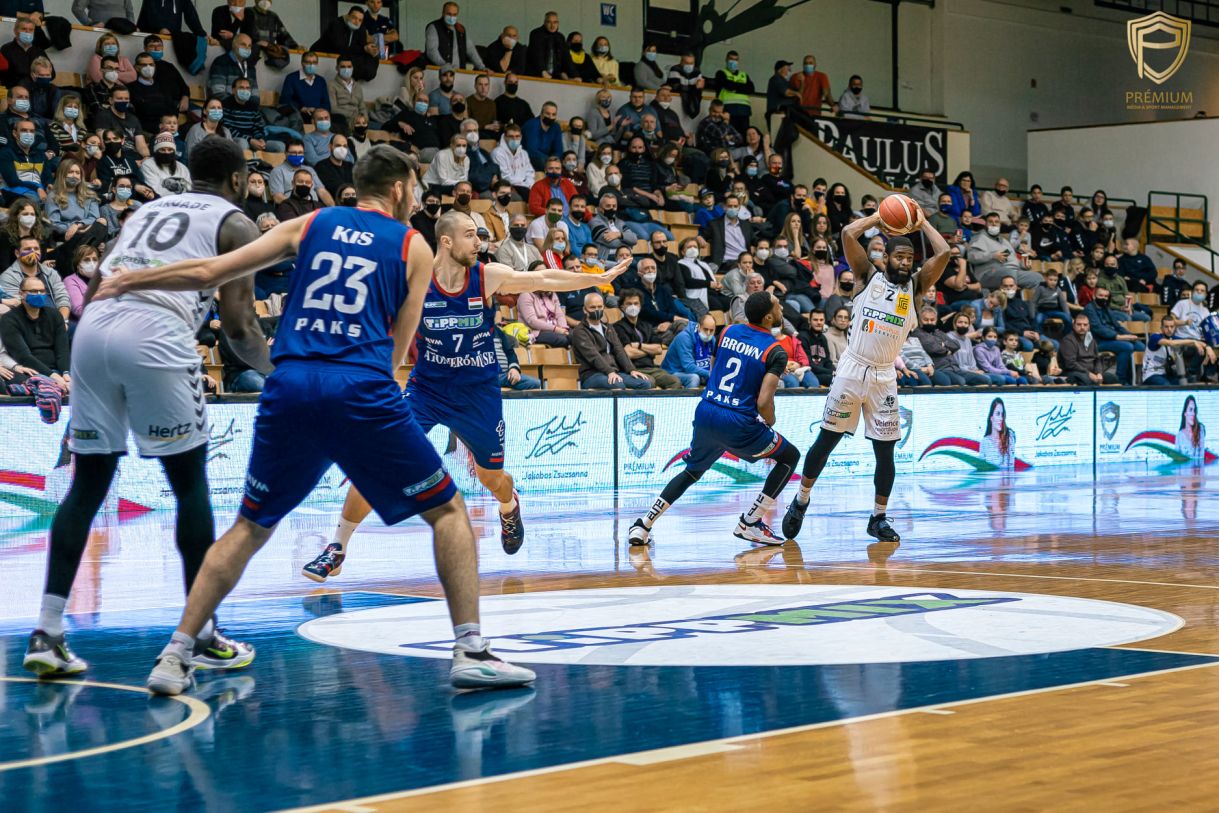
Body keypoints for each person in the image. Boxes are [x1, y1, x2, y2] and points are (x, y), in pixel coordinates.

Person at [95, 145, 536, 694]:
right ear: (399, 189)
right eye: (415, 188)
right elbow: (400, 350)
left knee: (249, 526)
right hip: (361, 387)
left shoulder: (313, 222)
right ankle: (470, 651)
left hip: (291, 384)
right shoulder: (412, 245)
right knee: (448, 513)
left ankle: (175, 655)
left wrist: (132, 280)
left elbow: (211, 269)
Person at [22, 138, 273, 681]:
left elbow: (96, 280)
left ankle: (47, 631)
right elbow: (238, 328)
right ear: (236, 180)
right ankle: (201, 634)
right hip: (156, 334)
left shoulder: (148, 211)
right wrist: (280, 373)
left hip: (94, 331)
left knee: (87, 486)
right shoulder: (235, 223)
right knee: (190, 487)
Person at [304, 211, 627, 582]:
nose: (479, 242)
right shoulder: (413, 281)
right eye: (470, 235)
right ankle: (337, 548)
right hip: (428, 390)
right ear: (446, 241)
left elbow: (543, 278)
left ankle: (509, 505)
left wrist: (595, 278)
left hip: (478, 395)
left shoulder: (485, 275)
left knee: (492, 478)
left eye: (479, 236)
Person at [783, 207, 951, 545]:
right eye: (899, 257)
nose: (905, 263)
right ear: (885, 257)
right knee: (827, 441)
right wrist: (879, 217)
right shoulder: (866, 277)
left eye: (910, 259)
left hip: (885, 376)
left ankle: (878, 517)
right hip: (852, 368)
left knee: (885, 452)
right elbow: (848, 234)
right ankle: (801, 499)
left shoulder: (916, 288)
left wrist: (922, 223)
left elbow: (944, 252)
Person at [629, 291, 798, 546]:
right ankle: (751, 522)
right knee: (789, 456)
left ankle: (643, 525)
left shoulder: (727, 331)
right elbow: (764, 402)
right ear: (767, 317)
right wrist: (770, 422)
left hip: (707, 410)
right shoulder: (775, 350)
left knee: (692, 471)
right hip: (738, 421)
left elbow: (717, 367)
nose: (781, 309)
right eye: (777, 306)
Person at [613, 288, 684, 389]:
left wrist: (639, 345)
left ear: (640, 306)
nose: (633, 306)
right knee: (650, 382)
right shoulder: (618, 327)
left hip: (651, 368)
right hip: (632, 369)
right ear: (622, 307)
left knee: (674, 381)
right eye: (629, 304)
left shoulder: (647, 326)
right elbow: (628, 353)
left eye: (636, 303)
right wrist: (650, 351)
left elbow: (658, 349)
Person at [1058, 312, 1117, 386]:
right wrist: (1089, 374)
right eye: (1079, 324)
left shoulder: (1091, 340)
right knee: (1086, 380)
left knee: (1112, 379)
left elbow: (1097, 359)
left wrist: (1099, 373)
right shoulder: (1068, 340)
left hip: (1091, 372)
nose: (1082, 327)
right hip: (1074, 372)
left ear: (1088, 326)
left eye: (1085, 325)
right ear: (1073, 326)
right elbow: (1070, 364)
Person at [425, 2, 484, 71]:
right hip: (440, 71)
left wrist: (482, 67)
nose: (451, 17)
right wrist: (444, 65)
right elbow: (432, 51)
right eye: (449, 14)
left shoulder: (460, 29)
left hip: (459, 71)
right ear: (443, 13)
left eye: (454, 14)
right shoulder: (434, 27)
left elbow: (471, 50)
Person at [979, 398, 1016, 469]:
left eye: (1002, 415)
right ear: (991, 418)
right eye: (998, 414)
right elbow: (981, 468)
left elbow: (1011, 466)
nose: (1001, 418)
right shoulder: (985, 442)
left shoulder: (1009, 436)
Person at [1176, 395, 1208, 460]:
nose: (1193, 413)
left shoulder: (1200, 429)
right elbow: (1177, 459)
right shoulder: (1179, 436)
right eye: (1190, 410)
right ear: (1185, 413)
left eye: (1194, 410)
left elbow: (1201, 456)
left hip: (1198, 466)